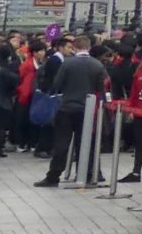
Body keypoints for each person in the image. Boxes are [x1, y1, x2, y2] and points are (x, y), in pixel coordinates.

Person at [36, 32, 109, 186]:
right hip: (87, 110)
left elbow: (57, 84)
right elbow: (101, 87)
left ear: (75, 47)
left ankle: (53, 176)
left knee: (62, 143)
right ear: (89, 47)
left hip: (67, 108)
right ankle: (86, 174)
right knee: (85, 143)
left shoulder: (67, 63)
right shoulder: (97, 65)